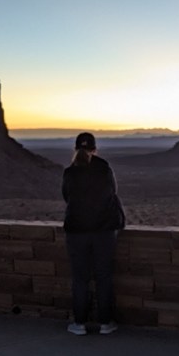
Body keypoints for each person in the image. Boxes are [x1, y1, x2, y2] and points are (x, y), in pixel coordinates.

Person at [62, 132, 125, 335]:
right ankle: (105, 323)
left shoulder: (70, 173)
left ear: (76, 149)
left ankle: (79, 323)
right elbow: (112, 193)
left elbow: (67, 196)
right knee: (103, 277)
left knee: (80, 278)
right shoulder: (104, 169)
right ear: (94, 149)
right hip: (104, 231)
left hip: (76, 231)